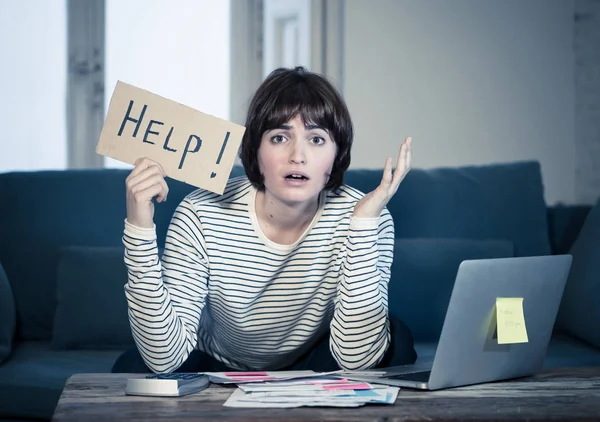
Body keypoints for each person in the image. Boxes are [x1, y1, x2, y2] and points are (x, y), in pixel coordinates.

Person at [112, 66, 417, 374]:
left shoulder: (366, 215)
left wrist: (363, 226)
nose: (297, 156)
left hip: (311, 359)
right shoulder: (200, 213)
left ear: (337, 155)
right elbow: (165, 358)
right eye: (280, 137)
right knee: (134, 367)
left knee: (395, 340)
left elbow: (358, 361)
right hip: (213, 362)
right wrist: (139, 228)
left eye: (316, 139)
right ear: (254, 150)